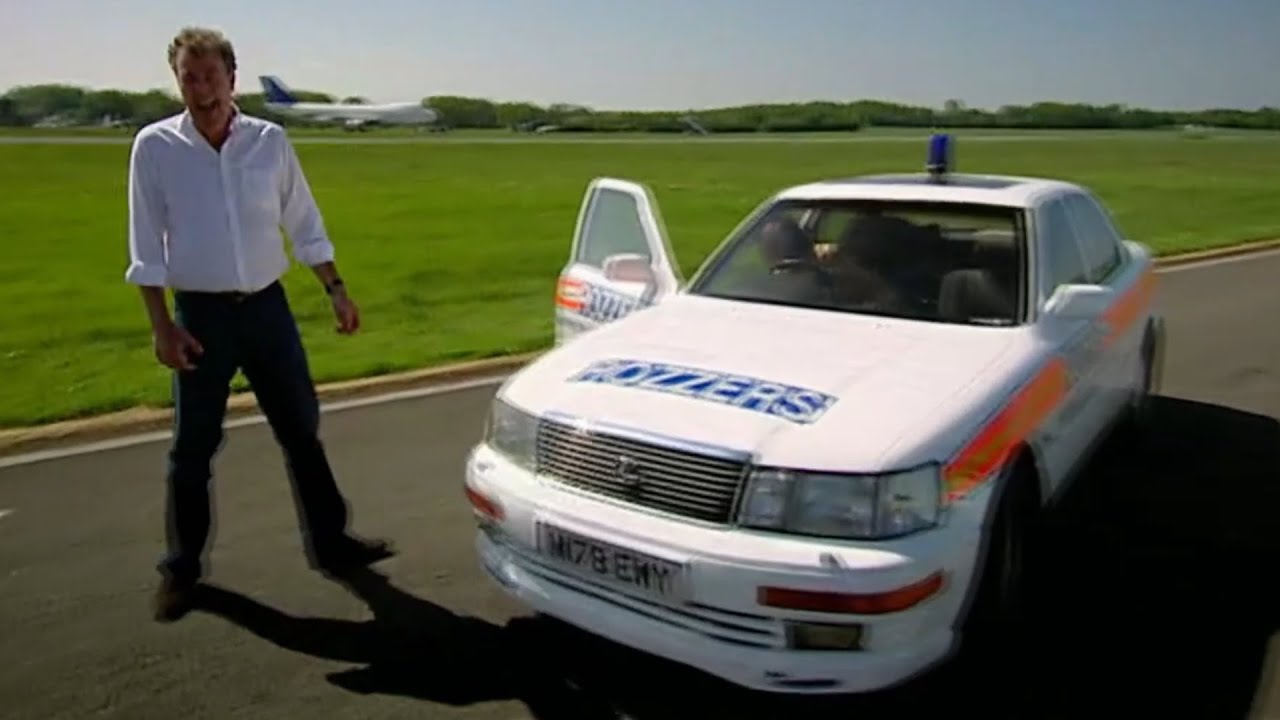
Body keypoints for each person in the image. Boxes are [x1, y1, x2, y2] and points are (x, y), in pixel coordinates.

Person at [125, 26, 394, 623]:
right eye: (188, 78)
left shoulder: (268, 143)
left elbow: (304, 222)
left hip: (267, 310)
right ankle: (182, 571)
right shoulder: (156, 147)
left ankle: (332, 544)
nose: (200, 89)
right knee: (192, 448)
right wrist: (162, 327)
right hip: (201, 316)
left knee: (301, 430)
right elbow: (145, 246)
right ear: (178, 82)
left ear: (232, 78)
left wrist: (336, 289)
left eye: (210, 76)